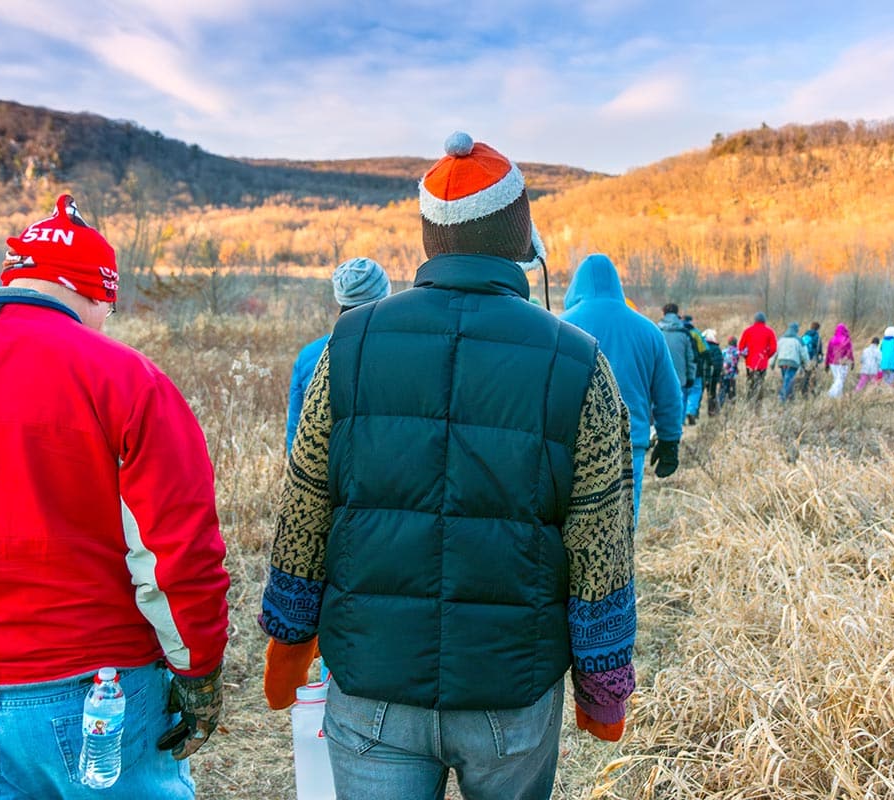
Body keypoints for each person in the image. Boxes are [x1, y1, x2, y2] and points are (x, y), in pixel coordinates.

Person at [260, 132, 636, 800]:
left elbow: (306, 504)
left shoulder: (349, 344)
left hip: (372, 682)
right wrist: (602, 684)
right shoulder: (577, 361)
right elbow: (601, 541)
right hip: (511, 693)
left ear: (431, 238)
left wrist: (289, 638)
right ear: (521, 238)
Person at [0, 195, 229, 799]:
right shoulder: (126, 378)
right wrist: (197, 670)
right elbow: (176, 550)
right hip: (92, 691)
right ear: (97, 294)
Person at [562, 252, 681, 524]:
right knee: (624, 527)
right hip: (629, 447)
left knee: (573, 526)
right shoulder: (649, 331)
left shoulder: (562, 326)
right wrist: (669, 440)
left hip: (573, 447)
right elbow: (669, 395)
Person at [286, 257, 392, 452]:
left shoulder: (310, 355)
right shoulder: (397, 353)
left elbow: (296, 431)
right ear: (386, 296)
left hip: (324, 474)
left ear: (340, 298)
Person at [658, 303, 697, 422]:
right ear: (677, 313)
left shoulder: (656, 331)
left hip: (660, 377)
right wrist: (691, 377)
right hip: (681, 377)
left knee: (661, 405)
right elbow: (691, 358)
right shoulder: (685, 333)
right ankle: (678, 429)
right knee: (679, 404)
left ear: (663, 313)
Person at [737, 311, 778, 404]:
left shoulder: (747, 331)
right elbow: (774, 348)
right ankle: (758, 403)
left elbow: (740, 347)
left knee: (750, 383)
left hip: (750, 363)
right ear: (764, 320)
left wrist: (746, 356)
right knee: (760, 383)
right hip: (762, 363)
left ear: (755, 320)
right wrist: (766, 356)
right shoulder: (769, 331)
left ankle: (749, 402)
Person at [681, 314, 709, 423]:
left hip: (681, 368)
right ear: (691, 321)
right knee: (695, 390)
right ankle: (691, 411)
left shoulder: (679, 333)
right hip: (696, 367)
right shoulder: (696, 333)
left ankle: (681, 418)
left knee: (682, 393)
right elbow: (704, 350)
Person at [773, 322, 808, 402]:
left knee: (787, 379)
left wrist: (772, 363)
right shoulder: (799, 340)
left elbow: (775, 352)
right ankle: (782, 398)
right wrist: (807, 363)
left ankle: (790, 398)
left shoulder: (781, 339)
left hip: (782, 362)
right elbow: (804, 353)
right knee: (788, 380)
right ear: (796, 330)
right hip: (793, 363)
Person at [825, 322, 855, 398]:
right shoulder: (847, 340)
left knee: (837, 379)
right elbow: (849, 352)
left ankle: (838, 396)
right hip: (842, 363)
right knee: (840, 380)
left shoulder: (832, 340)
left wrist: (827, 364)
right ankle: (831, 394)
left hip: (832, 363)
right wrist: (852, 362)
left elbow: (828, 352)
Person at [702, 328, 725, 415]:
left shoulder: (702, 348)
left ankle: (694, 412)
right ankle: (712, 411)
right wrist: (717, 375)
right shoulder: (716, 348)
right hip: (713, 375)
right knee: (712, 393)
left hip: (703, 374)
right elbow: (719, 363)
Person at [798, 321, 824, 396]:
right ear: (818, 328)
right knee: (813, 375)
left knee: (805, 373)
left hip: (804, 358)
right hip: (812, 358)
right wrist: (820, 357)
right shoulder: (817, 337)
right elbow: (819, 349)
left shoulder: (804, 335)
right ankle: (811, 390)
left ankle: (803, 389)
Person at [721, 335, 740, 402]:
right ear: (735, 342)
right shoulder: (737, 351)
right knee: (732, 391)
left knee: (722, 390)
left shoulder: (723, 351)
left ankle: (720, 404)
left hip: (723, 373)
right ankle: (731, 405)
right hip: (732, 375)